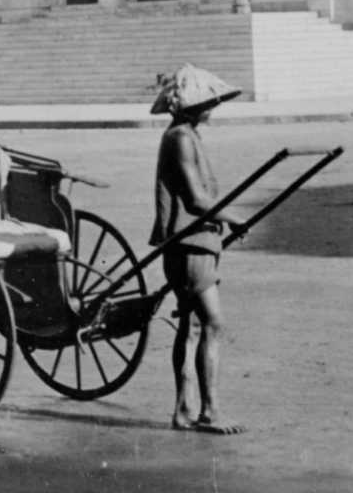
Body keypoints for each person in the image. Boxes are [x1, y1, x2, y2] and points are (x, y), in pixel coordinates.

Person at [149, 64, 249, 433]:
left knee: (192, 327)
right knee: (212, 323)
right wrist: (234, 218)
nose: (214, 106)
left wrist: (223, 220)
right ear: (192, 105)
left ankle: (183, 410)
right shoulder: (180, 138)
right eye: (210, 101)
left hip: (194, 241)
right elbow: (194, 201)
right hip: (188, 242)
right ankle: (209, 411)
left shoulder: (186, 134)